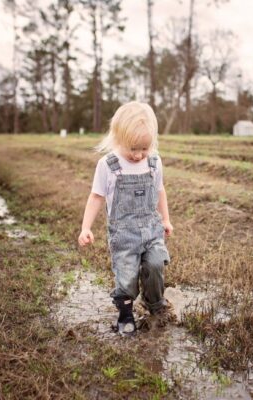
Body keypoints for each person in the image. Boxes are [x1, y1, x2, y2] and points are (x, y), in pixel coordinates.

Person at [78, 101, 173, 336]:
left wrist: (166, 220)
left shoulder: (154, 162)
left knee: (155, 265)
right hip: (124, 234)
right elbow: (96, 197)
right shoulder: (108, 165)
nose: (139, 154)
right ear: (117, 138)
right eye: (133, 149)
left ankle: (155, 304)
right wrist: (85, 227)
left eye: (144, 148)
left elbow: (160, 191)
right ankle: (125, 313)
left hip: (152, 229)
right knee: (127, 276)